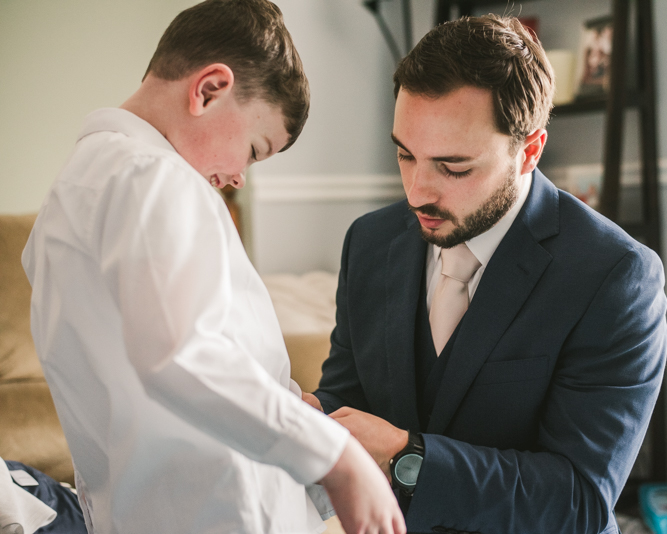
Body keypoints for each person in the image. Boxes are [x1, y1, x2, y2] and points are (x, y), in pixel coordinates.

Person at [21, 1, 405, 533]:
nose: (239, 177)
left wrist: (295, 407)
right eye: (253, 149)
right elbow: (181, 352)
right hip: (224, 512)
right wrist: (335, 458)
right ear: (209, 90)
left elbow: (192, 350)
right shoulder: (155, 177)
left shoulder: (71, 195)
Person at [306, 14, 667, 534]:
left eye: (454, 166)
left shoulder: (615, 276)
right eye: (405, 155)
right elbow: (351, 399)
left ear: (530, 151)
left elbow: (578, 501)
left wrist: (408, 456)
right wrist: (307, 415)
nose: (417, 191)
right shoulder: (369, 242)